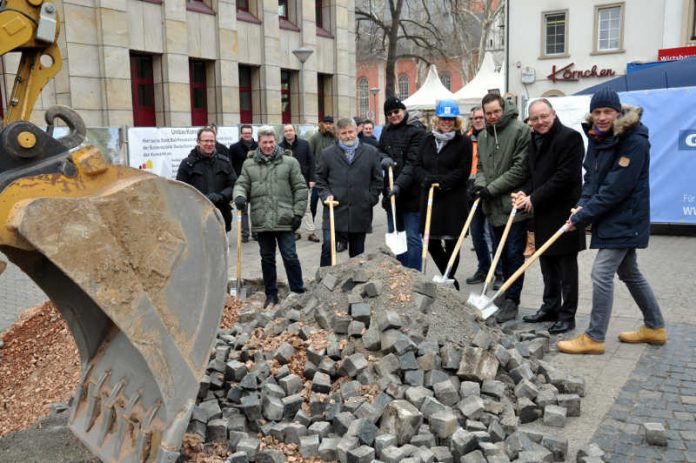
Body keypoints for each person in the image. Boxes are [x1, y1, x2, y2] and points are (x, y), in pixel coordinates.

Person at [558, 88, 666, 354]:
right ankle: (655, 327)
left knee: (601, 273)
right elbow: (592, 179)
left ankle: (594, 337)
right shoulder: (596, 137)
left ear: (618, 112)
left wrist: (583, 216)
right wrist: (581, 205)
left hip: (626, 217)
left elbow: (616, 189)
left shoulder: (635, 140)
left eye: (608, 112)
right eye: (597, 112)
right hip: (610, 217)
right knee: (629, 272)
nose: (602, 117)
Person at [513, 98, 586, 334]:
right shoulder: (534, 140)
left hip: (565, 213)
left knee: (566, 268)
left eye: (544, 116)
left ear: (553, 114)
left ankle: (568, 315)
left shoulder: (570, 138)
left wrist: (533, 198)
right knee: (546, 263)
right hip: (543, 212)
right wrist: (527, 191)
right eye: (534, 118)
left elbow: (564, 177)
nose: (540, 122)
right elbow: (536, 176)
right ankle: (550, 307)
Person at [232, 126, 308, 308]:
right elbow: (241, 184)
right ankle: (271, 295)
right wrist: (240, 196)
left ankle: (298, 291)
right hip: (262, 219)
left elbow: (300, 188)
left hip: (285, 219)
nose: (268, 146)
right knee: (267, 259)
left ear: (276, 141)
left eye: (271, 142)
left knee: (290, 256)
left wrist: (298, 213)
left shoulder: (290, 162)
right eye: (264, 142)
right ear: (259, 143)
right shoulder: (249, 164)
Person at [472, 93, 531, 323]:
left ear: (504, 108)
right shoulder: (484, 135)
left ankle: (513, 301)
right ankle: (505, 292)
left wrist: (492, 188)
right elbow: (481, 166)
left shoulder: (519, 130)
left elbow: (520, 168)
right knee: (500, 255)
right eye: (488, 113)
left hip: (513, 205)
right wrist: (480, 186)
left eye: (496, 111)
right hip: (492, 207)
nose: (493, 116)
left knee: (514, 255)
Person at [412, 100, 472, 289]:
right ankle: (449, 279)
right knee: (430, 242)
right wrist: (426, 179)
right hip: (430, 200)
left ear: (456, 121)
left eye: (450, 119)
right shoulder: (426, 140)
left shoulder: (463, 142)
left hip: (453, 200)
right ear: (437, 120)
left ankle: (448, 278)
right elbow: (416, 166)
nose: (447, 123)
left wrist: (441, 182)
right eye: (443, 119)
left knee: (453, 243)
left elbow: (463, 171)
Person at [315, 117, 383, 267]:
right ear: (338, 134)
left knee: (357, 253)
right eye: (344, 133)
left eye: (350, 132)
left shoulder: (370, 152)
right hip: (334, 210)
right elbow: (320, 179)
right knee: (328, 247)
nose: (348, 136)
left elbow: (378, 180)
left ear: (357, 130)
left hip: (360, 211)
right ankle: (323, 283)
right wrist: (326, 196)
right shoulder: (327, 154)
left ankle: (354, 285)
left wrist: (370, 198)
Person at [379, 96, 427, 270]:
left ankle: (414, 275)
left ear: (403, 110)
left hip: (411, 194)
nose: (393, 115)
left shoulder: (417, 131)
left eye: (396, 111)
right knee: (396, 235)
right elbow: (380, 150)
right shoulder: (386, 131)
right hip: (391, 195)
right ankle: (401, 273)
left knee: (412, 237)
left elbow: (413, 164)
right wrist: (383, 158)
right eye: (389, 113)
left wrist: (398, 185)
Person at [465, 107, 503, 289]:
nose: (478, 120)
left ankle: (499, 271)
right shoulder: (467, 139)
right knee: (476, 232)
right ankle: (483, 267)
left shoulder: (493, 136)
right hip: (471, 190)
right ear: (471, 120)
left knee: (494, 233)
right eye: (475, 118)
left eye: (481, 117)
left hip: (490, 189)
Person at [177, 126, 237, 232]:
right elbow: (180, 190)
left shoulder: (225, 162)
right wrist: (200, 198)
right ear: (198, 142)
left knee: (221, 249)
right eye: (206, 141)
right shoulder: (187, 164)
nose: (209, 144)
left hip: (221, 215)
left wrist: (221, 196)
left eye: (212, 141)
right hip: (196, 217)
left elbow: (233, 185)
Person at [280, 124, 320, 242]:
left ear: (294, 131)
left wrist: (312, 179)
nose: (288, 132)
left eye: (290, 130)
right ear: (284, 133)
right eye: (286, 131)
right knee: (292, 208)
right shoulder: (280, 147)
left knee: (306, 208)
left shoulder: (305, 144)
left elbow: (312, 162)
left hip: (303, 181)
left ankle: (311, 232)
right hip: (287, 182)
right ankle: (296, 232)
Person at [308, 115, 339, 247]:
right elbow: (309, 157)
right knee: (313, 205)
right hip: (317, 178)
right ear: (321, 124)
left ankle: (334, 229)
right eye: (326, 123)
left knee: (331, 204)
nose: (328, 126)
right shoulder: (315, 138)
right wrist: (312, 176)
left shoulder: (336, 138)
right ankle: (311, 231)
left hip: (332, 178)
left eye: (330, 123)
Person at [229, 125, 258, 242]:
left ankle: (256, 233)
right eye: (245, 133)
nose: (247, 135)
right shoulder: (234, 147)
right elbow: (230, 165)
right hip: (241, 182)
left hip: (256, 181)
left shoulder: (258, 146)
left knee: (256, 209)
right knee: (243, 209)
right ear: (241, 134)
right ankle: (244, 234)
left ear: (252, 133)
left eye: (249, 133)